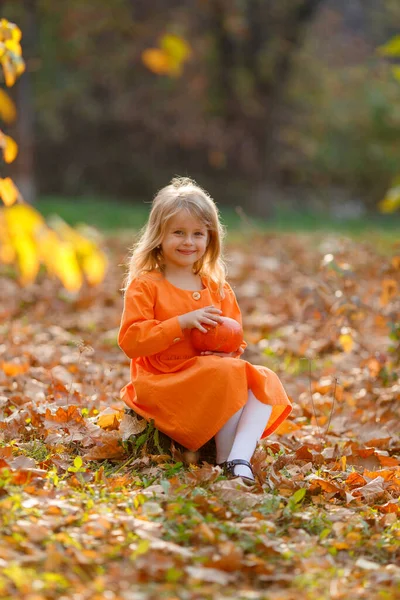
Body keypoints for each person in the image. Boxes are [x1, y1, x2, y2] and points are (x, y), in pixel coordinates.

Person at [118, 177, 292, 485]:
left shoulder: (216, 287)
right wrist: (181, 323)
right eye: (179, 233)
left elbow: (232, 338)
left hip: (208, 374)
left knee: (263, 381)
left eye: (198, 234)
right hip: (163, 380)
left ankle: (238, 459)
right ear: (159, 235)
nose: (189, 242)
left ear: (210, 238)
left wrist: (225, 350)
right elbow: (132, 342)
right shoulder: (146, 285)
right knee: (227, 375)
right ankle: (226, 459)